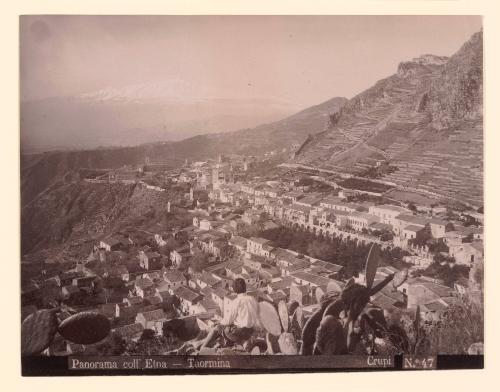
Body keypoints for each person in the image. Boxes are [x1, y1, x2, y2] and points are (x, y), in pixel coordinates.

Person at [190, 278, 261, 350]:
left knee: (216, 329)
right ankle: (199, 344)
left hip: (239, 332)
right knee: (222, 328)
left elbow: (228, 321)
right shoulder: (252, 299)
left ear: (235, 289)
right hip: (250, 332)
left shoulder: (237, 301)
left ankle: (203, 347)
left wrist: (219, 322)